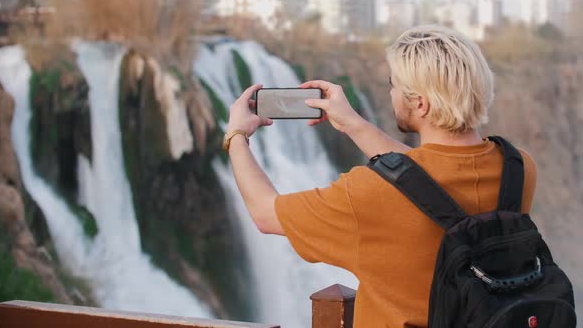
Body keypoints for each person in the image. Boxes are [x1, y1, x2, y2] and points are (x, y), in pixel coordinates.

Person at [223, 25, 537, 327]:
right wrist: (352, 124)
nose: (390, 92)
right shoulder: (518, 168)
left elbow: (266, 214)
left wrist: (237, 136)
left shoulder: (368, 193)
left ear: (419, 103)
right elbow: (428, 176)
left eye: (393, 83)